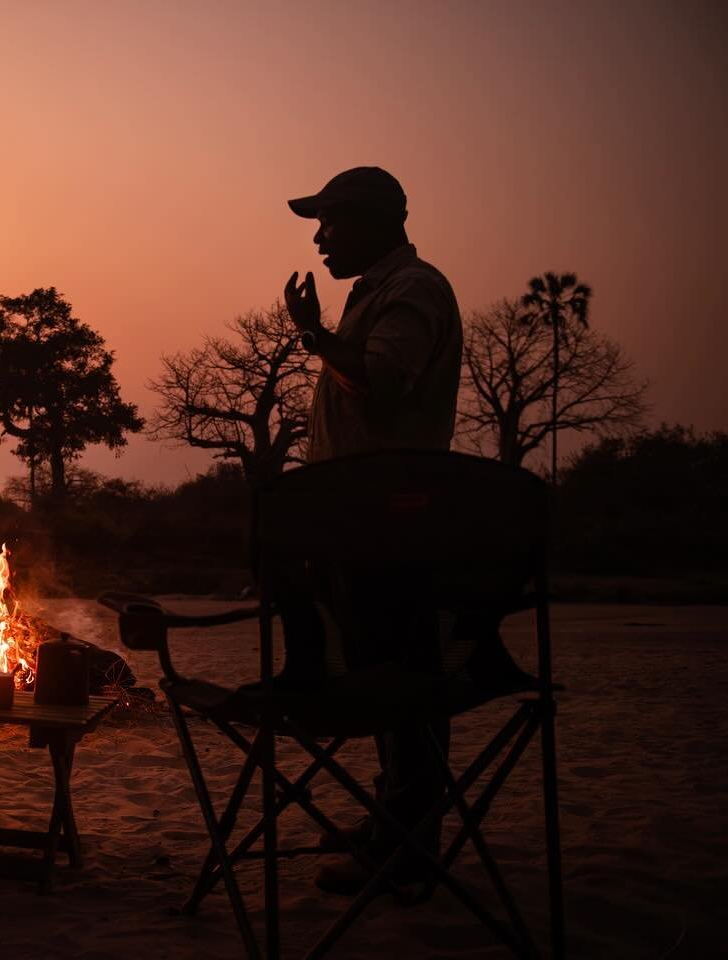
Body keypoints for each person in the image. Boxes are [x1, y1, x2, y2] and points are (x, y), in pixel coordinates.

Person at [280, 167, 463, 895]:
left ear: (370, 222)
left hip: (394, 528)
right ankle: (397, 822)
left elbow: (383, 379)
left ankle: (410, 844)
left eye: (329, 223)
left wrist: (313, 335)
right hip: (363, 525)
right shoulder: (379, 294)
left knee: (402, 681)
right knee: (390, 679)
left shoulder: (413, 288)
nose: (319, 238)